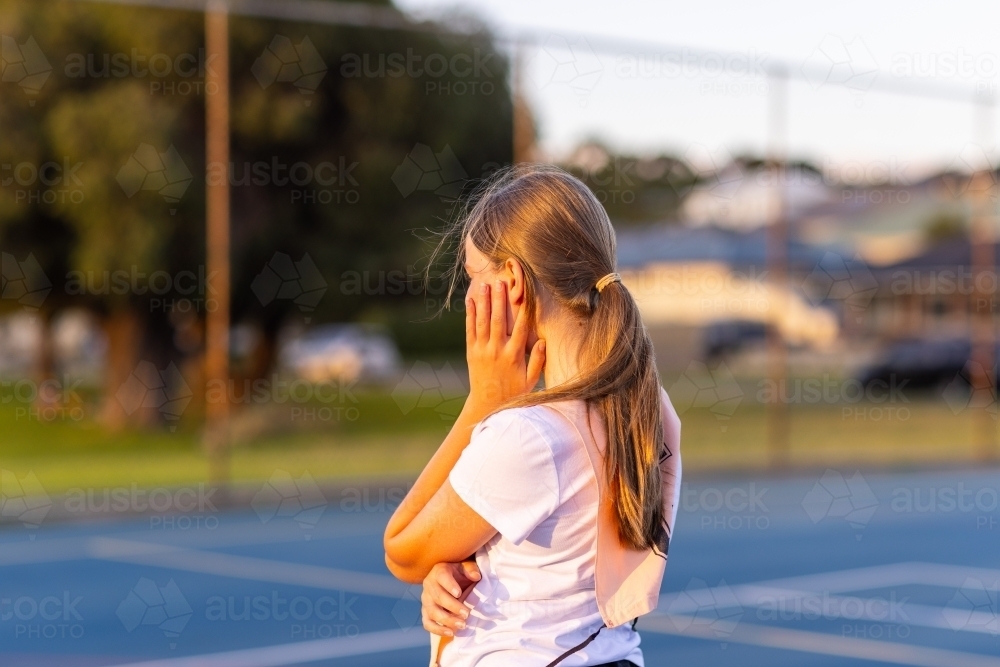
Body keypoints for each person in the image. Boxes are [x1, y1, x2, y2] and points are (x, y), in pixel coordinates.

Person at [384, 165, 682, 667]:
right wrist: (455, 561)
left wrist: (483, 401)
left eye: (475, 276)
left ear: (514, 283)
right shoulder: (645, 405)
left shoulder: (530, 436)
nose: (468, 297)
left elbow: (401, 551)